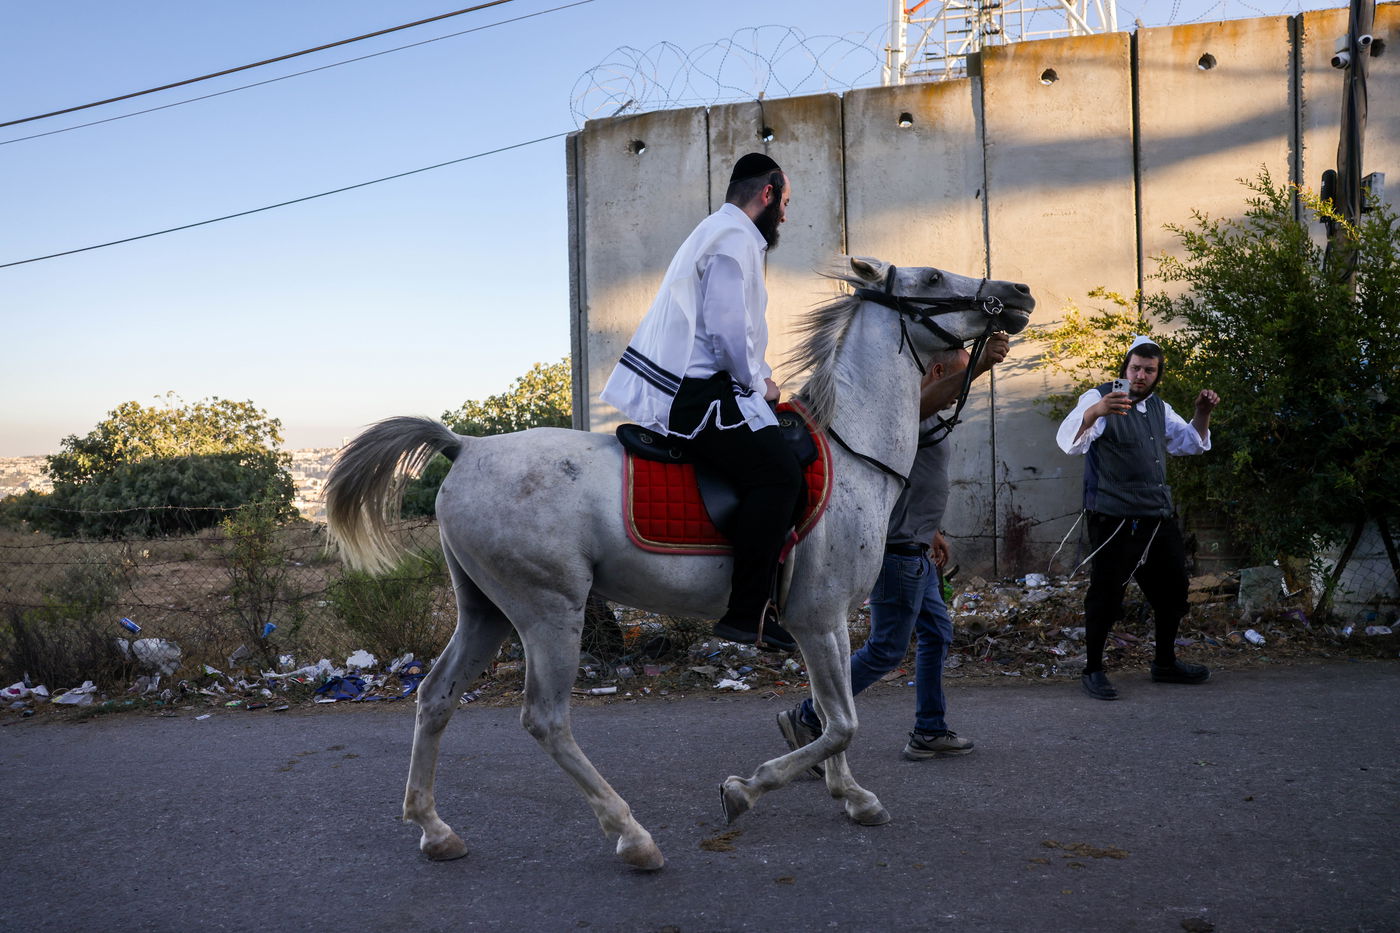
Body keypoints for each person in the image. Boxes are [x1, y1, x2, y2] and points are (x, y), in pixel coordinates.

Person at [777, 333, 1009, 767]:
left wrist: (933, 529)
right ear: (938, 373)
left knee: (937, 634)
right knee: (885, 648)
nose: (961, 389)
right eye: (957, 377)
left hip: (916, 549)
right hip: (897, 555)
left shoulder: (925, 417)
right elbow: (920, 412)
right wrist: (979, 364)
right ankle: (807, 716)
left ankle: (929, 731)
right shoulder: (908, 412)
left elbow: (909, 478)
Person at [600, 153, 802, 651]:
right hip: (700, 394)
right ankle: (745, 614)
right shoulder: (735, 241)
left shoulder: (714, 230)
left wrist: (760, 376)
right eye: (786, 203)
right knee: (779, 474)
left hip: (699, 385)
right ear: (769, 193)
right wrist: (761, 384)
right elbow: (729, 332)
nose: (786, 217)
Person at [1055, 335, 1221, 700]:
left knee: (1173, 591)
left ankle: (1164, 662)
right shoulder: (1097, 397)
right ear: (1124, 368)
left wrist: (1203, 411)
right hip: (1113, 517)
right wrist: (1096, 411)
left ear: (1158, 374)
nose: (1141, 376)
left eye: (1149, 370)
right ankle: (1094, 669)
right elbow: (1068, 441)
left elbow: (1189, 443)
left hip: (1156, 516)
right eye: (1135, 368)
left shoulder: (1160, 407)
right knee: (1106, 594)